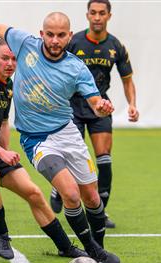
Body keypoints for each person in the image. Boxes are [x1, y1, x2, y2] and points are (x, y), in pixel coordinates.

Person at [0, 12, 120, 263]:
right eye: (50, 34)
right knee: (66, 192)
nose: (55, 40)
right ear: (41, 34)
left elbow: (94, 102)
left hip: (65, 134)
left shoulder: (65, 70)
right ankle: (4, 235)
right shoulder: (0, 67)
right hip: (12, 143)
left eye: (61, 35)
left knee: (80, 196)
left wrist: (101, 107)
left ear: (69, 36)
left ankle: (78, 248)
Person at [0, 39, 87, 260]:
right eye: (4, 58)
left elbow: (2, 123)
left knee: (34, 193)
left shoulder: (9, 85)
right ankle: (1, 235)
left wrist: (6, 152)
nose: (10, 63)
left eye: (14, 59)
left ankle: (65, 246)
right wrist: (1, 153)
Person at [50, 0, 139, 229]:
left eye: (102, 13)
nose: (97, 17)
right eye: (93, 13)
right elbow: (55, 68)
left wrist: (132, 104)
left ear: (109, 16)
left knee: (105, 161)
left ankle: (101, 212)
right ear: (87, 15)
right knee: (71, 157)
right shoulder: (74, 41)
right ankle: (58, 188)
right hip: (73, 108)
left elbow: (127, 80)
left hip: (100, 107)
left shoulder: (115, 46)